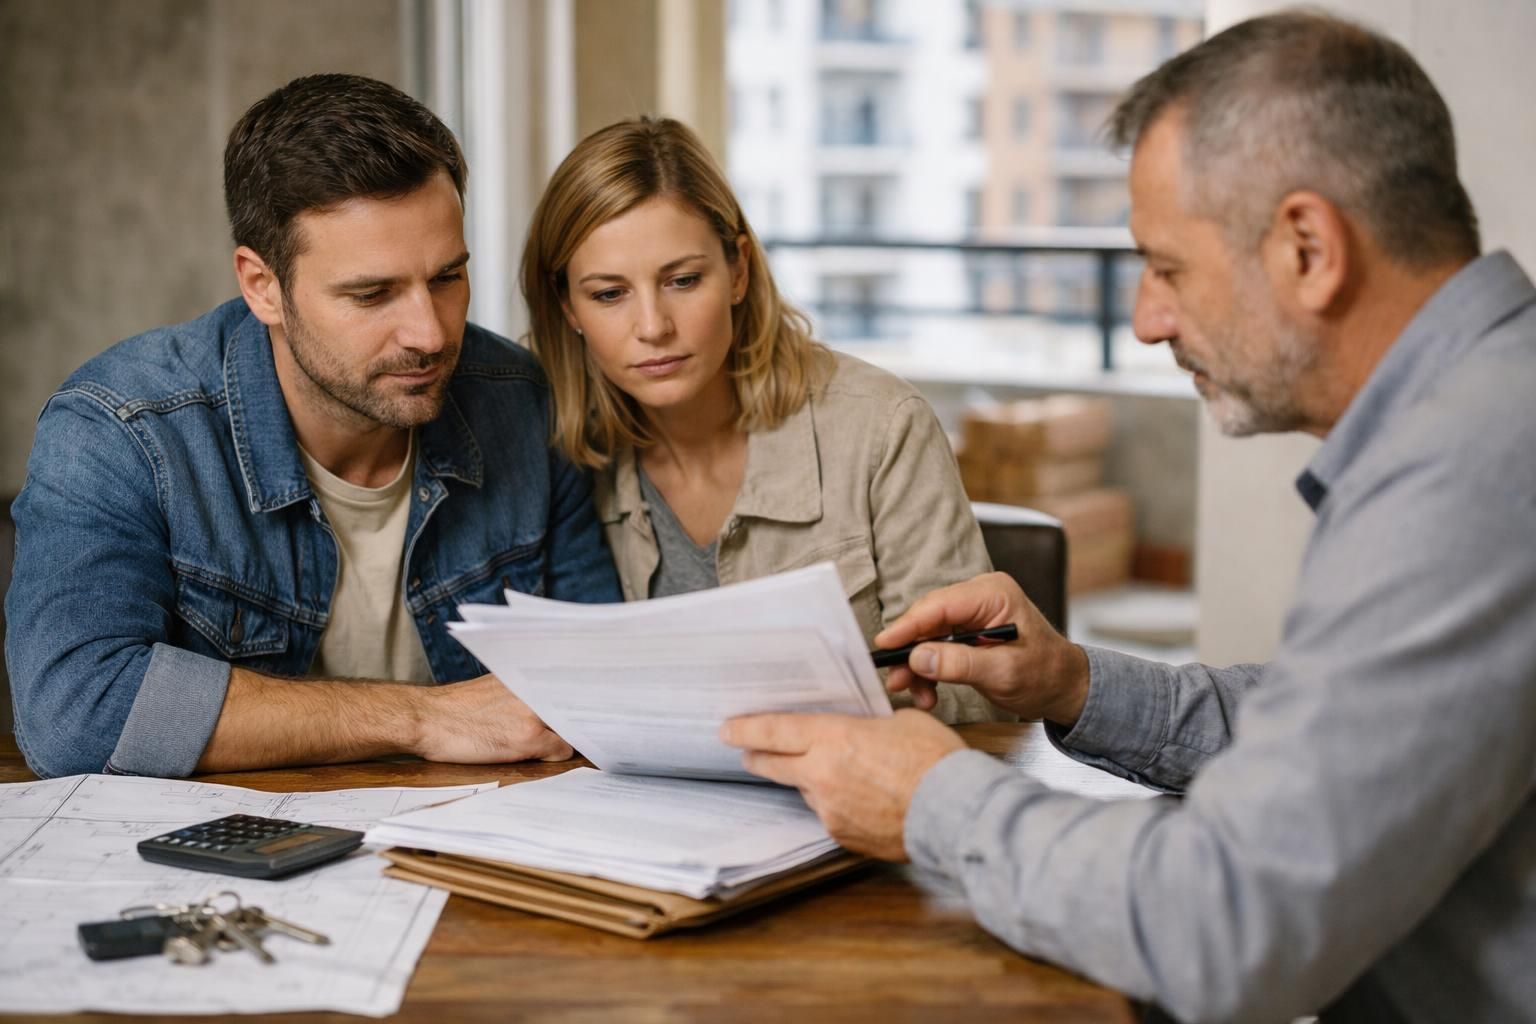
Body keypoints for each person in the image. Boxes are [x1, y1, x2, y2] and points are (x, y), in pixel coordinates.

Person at [722, 11, 1536, 1023]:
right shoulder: (1486, 409)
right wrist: (1071, 680)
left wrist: (932, 800)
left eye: (1168, 267)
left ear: (1308, 247)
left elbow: (1225, 921)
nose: (1146, 317)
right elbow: (1336, 725)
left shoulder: (1470, 472)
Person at [6, 74, 620, 780]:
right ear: (261, 285)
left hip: (476, 847)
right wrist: (424, 717)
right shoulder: (120, 429)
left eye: (447, 278)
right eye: (372, 293)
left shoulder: (523, 403)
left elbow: (597, 688)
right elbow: (73, 714)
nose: (428, 333)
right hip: (225, 870)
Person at [523, 117, 1006, 724]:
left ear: (739, 272)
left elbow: (975, 696)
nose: (652, 326)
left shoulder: (883, 429)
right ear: (568, 306)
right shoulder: (558, 451)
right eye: (609, 294)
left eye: (682, 280)